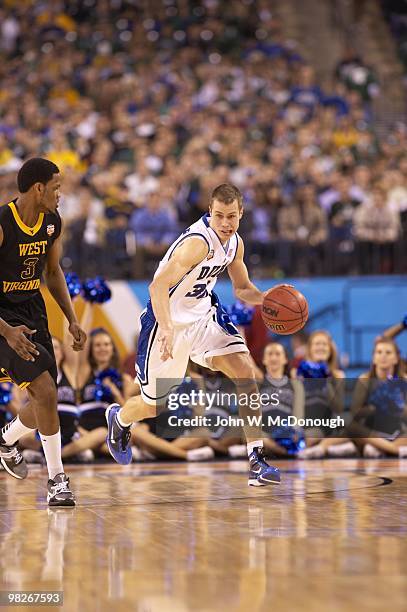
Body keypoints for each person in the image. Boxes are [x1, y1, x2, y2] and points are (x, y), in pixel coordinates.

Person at [106, 183, 286, 486]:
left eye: (231, 216)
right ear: (209, 213)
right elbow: (157, 287)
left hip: (203, 315)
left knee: (245, 373)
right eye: (219, 216)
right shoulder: (197, 243)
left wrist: (265, 298)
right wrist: (165, 327)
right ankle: (121, 419)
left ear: (241, 213)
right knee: (153, 406)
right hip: (167, 321)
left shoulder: (235, 243)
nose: (226, 224)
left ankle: (256, 458)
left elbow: (242, 288)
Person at [0, 158, 86, 506]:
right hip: (2, 316)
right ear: (38, 189)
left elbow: (51, 273)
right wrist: (6, 331)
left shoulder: (52, 223)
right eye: (55, 187)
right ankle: (56, 480)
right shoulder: (3, 222)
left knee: (46, 398)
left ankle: (6, 440)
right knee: (46, 391)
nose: (60, 194)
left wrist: (72, 318)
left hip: (32, 311)